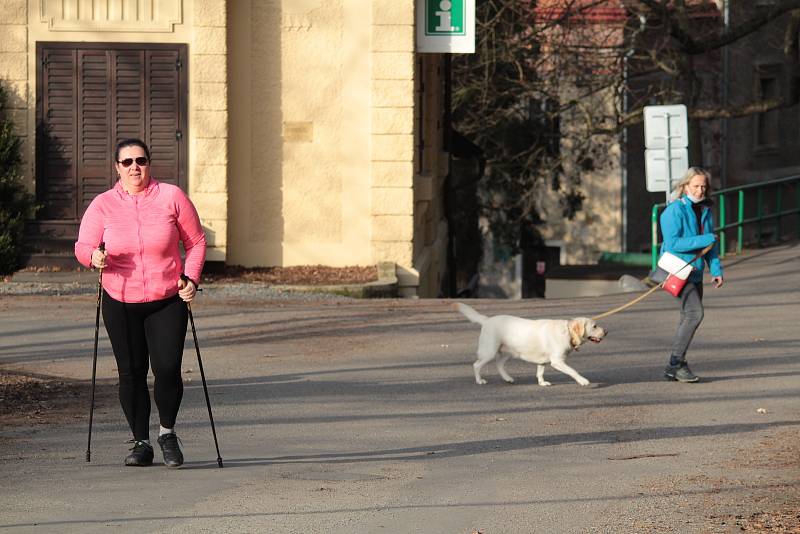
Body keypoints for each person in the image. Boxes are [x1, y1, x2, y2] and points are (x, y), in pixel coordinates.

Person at [75, 138, 206, 467]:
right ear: (117, 167)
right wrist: (94, 256)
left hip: (166, 298)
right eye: (127, 162)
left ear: (149, 164)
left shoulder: (171, 197)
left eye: (141, 161)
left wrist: (190, 279)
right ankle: (140, 442)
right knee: (131, 373)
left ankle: (167, 433)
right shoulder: (103, 204)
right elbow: (83, 246)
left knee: (166, 369)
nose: (135, 167)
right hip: (120, 299)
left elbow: (196, 242)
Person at [659, 166, 723, 383]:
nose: (700, 190)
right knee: (695, 314)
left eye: (703, 186)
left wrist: (716, 270)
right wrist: (706, 239)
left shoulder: (705, 209)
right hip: (676, 272)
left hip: (695, 273)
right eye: (696, 186)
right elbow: (673, 243)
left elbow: (711, 246)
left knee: (687, 317)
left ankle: (675, 366)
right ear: (685, 186)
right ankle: (675, 364)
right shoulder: (673, 211)